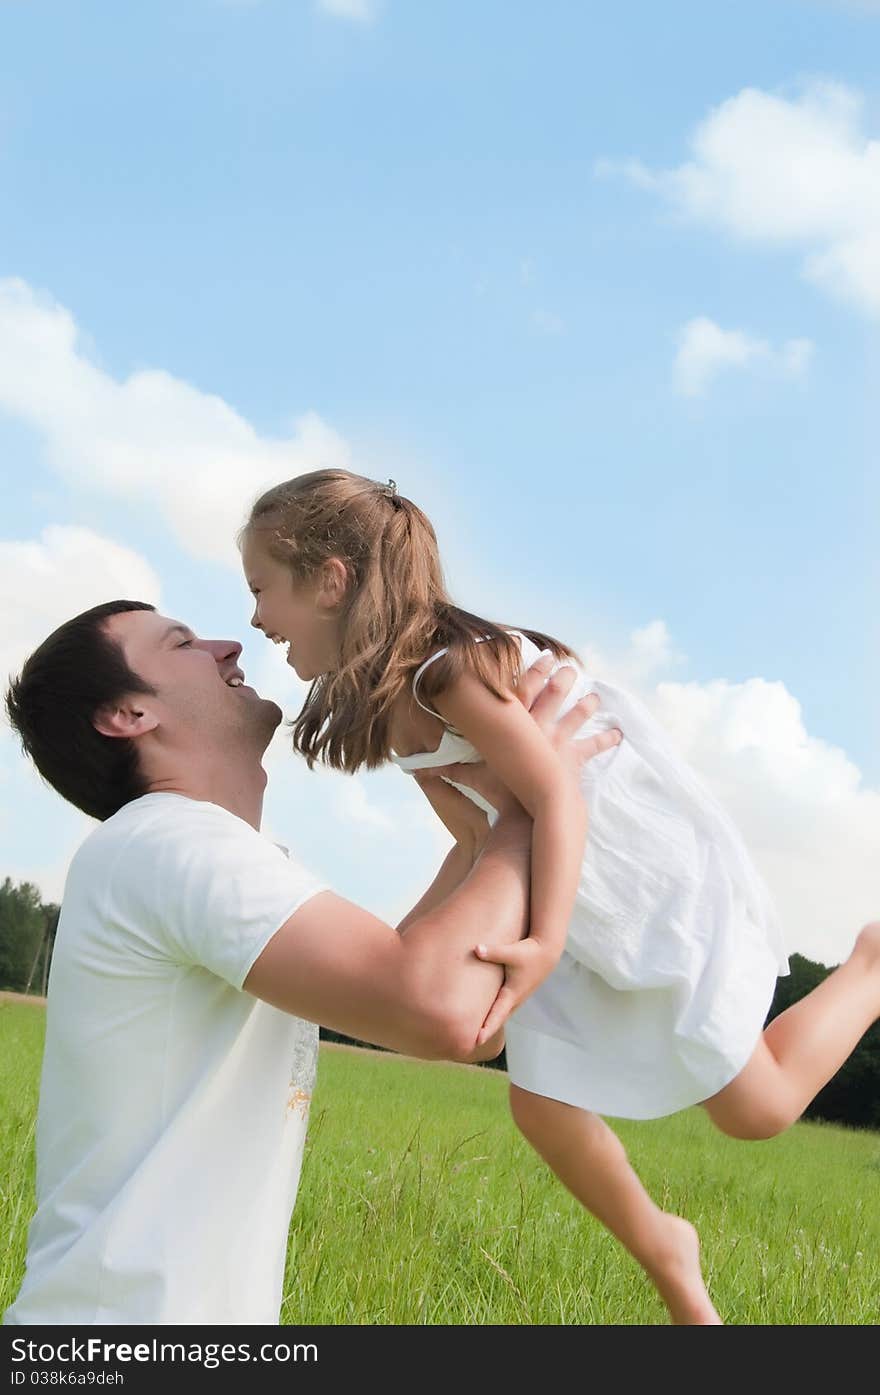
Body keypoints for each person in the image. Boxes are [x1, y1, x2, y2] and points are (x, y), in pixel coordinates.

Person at [239, 468, 880, 1326]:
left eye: (260, 589)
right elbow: (475, 837)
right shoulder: (397, 705)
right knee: (541, 1102)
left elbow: (558, 794)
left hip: (633, 881)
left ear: (331, 579)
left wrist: (540, 944)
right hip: (553, 885)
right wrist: (405, 947)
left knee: (755, 1109)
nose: (254, 618)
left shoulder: (446, 670)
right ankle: (666, 1250)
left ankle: (871, 965)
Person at [3, 599, 619, 1325]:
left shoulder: (195, 856)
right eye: (183, 643)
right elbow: (440, 1009)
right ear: (129, 714)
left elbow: (477, 1018)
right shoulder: (169, 842)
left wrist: (492, 824)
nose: (228, 644)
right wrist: (537, 798)